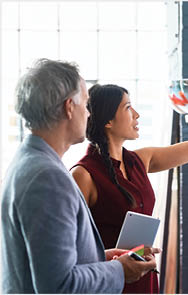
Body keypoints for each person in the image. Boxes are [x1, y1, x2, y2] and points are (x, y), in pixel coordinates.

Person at [71, 61, 188, 293]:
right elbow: (70, 249)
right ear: (108, 121)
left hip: (144, 276)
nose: (137, 115)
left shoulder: (140, 160)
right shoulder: (83, 175)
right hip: (109, 283)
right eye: (128, 108)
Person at [0, 58, 156, 293]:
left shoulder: (30, 161)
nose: (89, 113)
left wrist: (100, 258)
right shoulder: (47, 179)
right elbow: (59, 286)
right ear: (69, 107)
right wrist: (119, 270)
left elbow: (48, 263)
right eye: (86, 104)